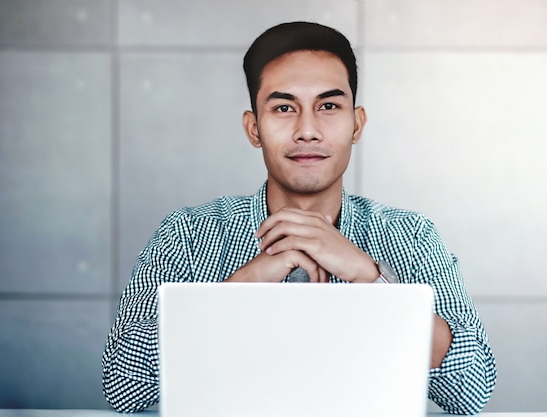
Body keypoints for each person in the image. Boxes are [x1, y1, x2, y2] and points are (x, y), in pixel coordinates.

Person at [102, 21, 496, 414]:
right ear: (253, 128)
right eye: (284, 108)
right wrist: (237, 290)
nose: (307, 131)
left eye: (328, 106)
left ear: (356, 124)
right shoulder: (189, 233)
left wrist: (369, 276)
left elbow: (472, 390)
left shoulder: (410, 235)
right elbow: (122, 387)